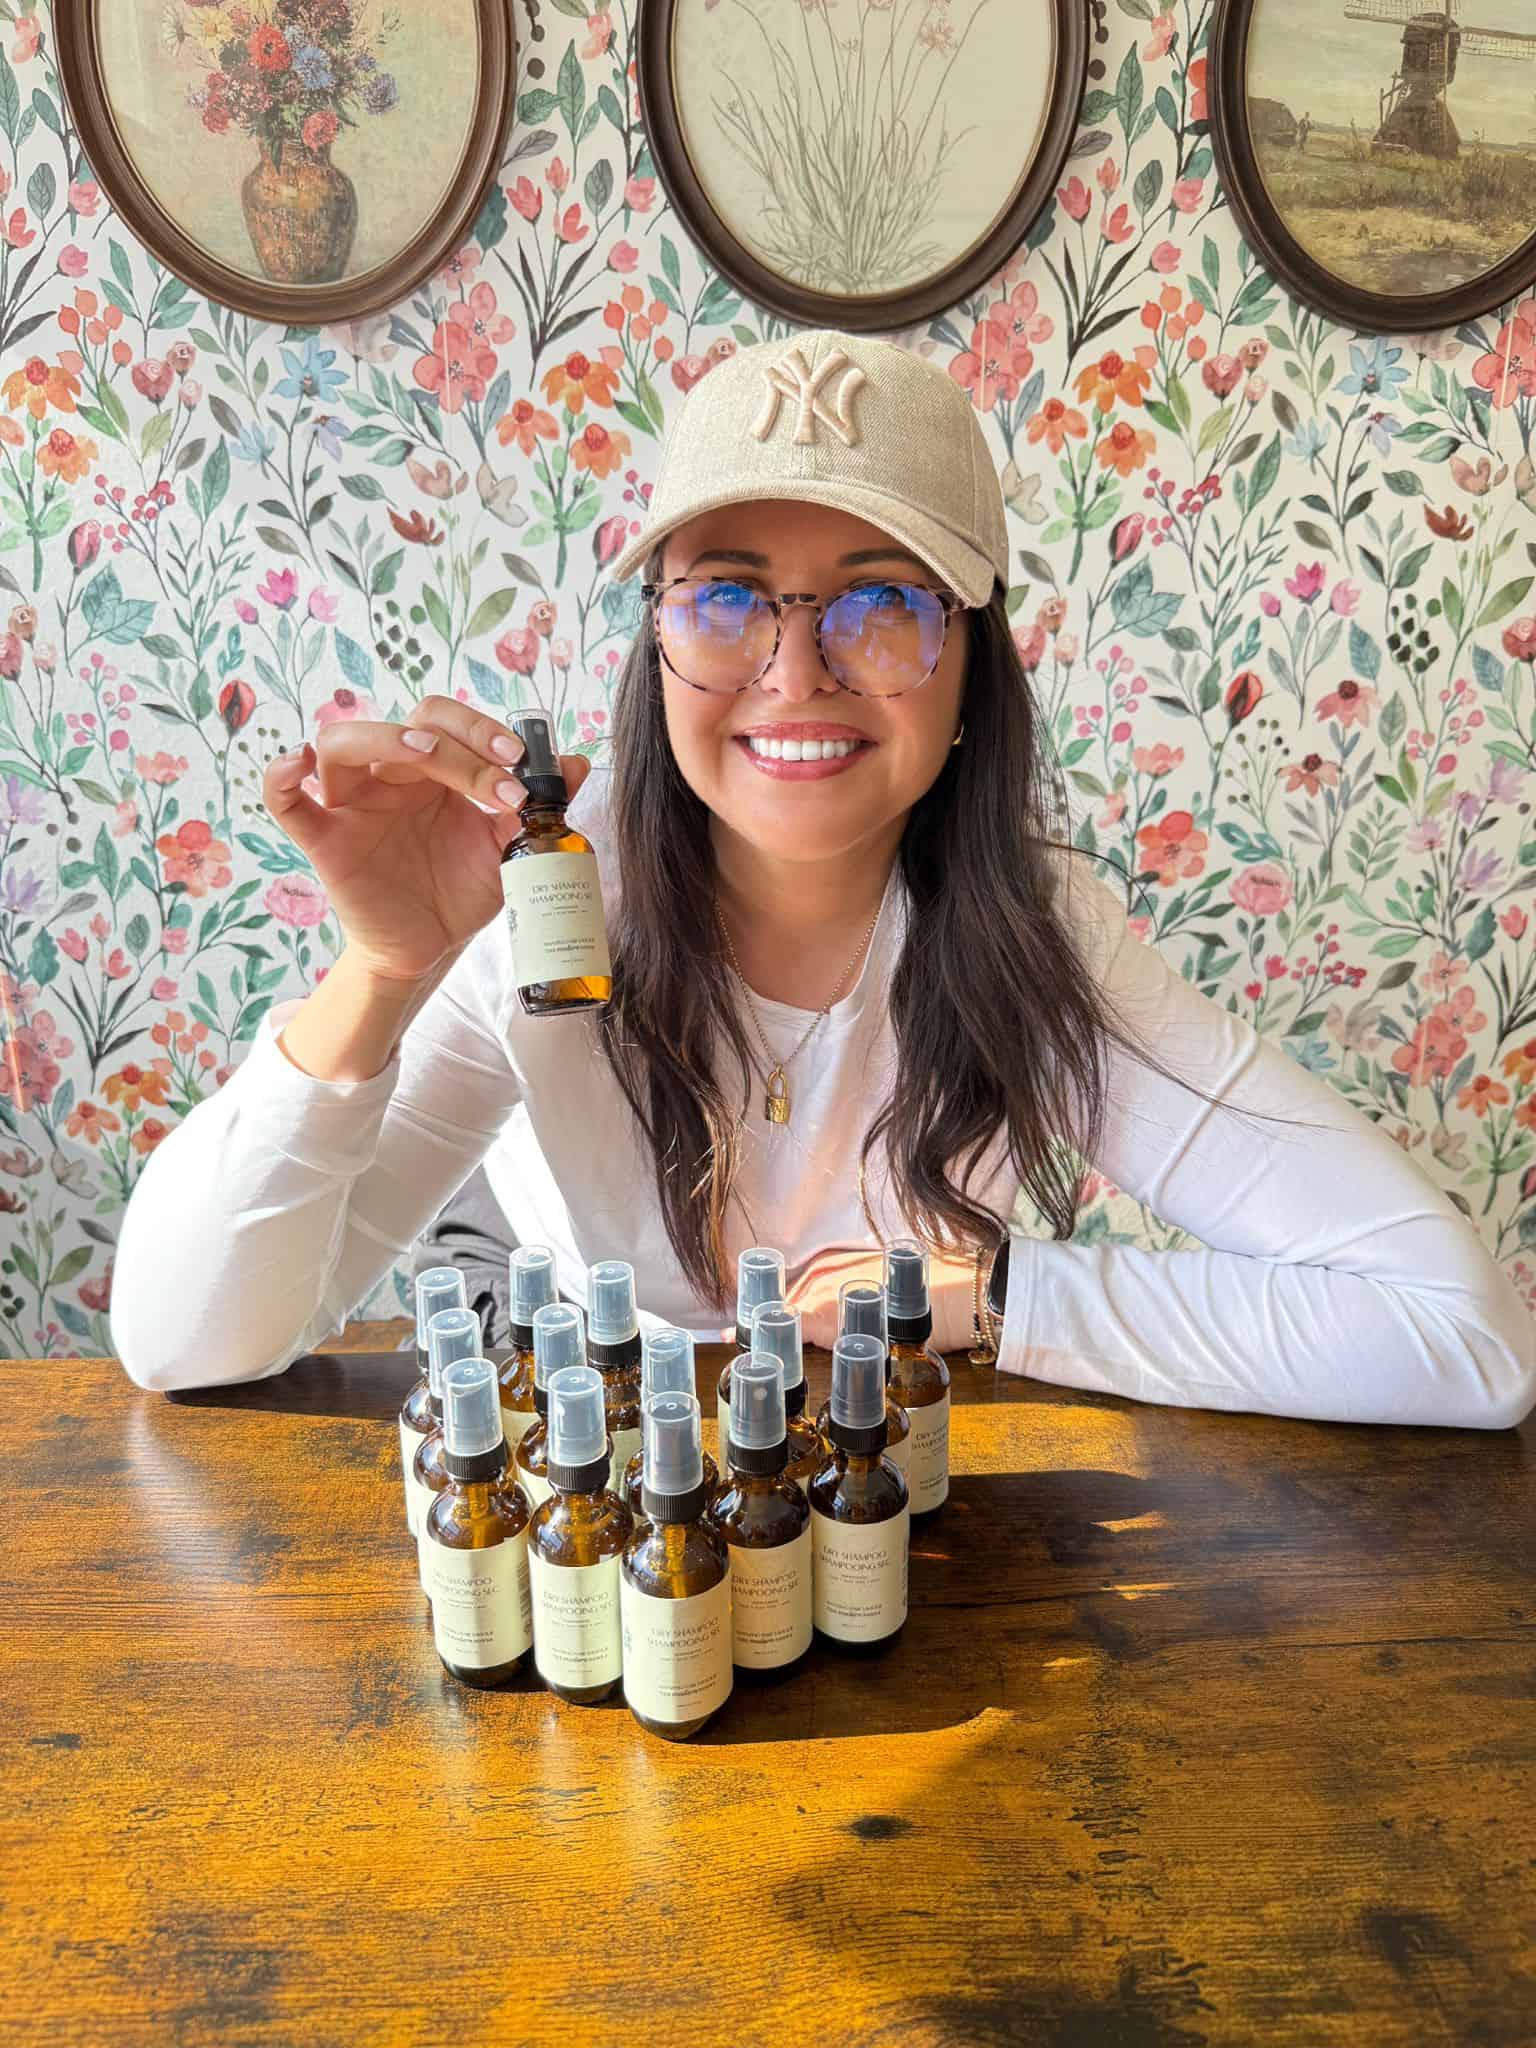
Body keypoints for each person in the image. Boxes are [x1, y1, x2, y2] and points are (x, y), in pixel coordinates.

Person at [110, 328, 1535, 1428]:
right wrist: (386, 970)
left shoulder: (1040, 939)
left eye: (881, 601)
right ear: (658, 641)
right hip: (606, 1523)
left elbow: (1466, 1338)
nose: (796, 670)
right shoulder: (536, 902)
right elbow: (183, 1344)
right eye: (726, 596)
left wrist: (998, 1299)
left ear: (972, 656)